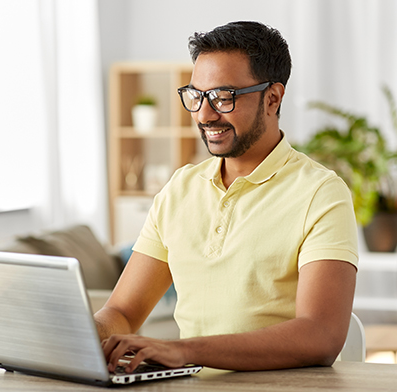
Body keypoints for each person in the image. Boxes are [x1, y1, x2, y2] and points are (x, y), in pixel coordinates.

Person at [95, 21, 358, 373]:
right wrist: (80, 335)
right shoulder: (179, 189)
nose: (204, 114)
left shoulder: (321, 194)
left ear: (273, 98)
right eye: (197, 95)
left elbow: (321, 335)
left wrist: (184, 350)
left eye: (223, 97)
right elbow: (124, 312)